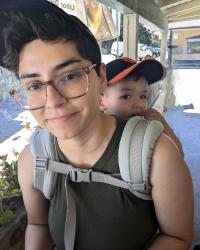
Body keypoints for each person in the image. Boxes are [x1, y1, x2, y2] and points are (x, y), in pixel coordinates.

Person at [0, 1, 193, 249]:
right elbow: (39, 226)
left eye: (70, 76)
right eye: (35, 86)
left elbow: (178, 236)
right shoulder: (33, 160)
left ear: (101, 78)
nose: (54, 101)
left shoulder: (158, 155)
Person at [100, 57, 184, 156]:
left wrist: (164, 125)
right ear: (100, 101)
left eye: (143, 96)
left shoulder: (147, 130)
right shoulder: (93, 132)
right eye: (126, 96)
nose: (139, 104)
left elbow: (178, 155)